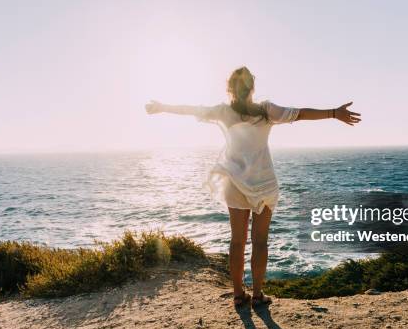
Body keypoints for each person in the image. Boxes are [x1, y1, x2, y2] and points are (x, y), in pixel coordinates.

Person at [145, 66, 361, 307]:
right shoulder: (266, 111)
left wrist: (162, 107)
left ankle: (239, 295)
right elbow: (300, 114)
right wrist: (334, 113)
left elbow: (191, 110)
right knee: (260, 242)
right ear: (253, 87)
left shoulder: (224, 112)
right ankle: (257, 295)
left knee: (237, 242)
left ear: (230, 89)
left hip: (235, 183)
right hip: (264, 184)